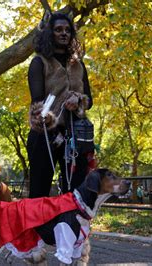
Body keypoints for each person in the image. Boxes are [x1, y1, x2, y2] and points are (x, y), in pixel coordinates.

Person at [27, 13, 93, 198]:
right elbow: (37, 104)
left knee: (76, 192)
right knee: (39, 191)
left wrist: (79, 100)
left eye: (67, 30)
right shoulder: (39, 62)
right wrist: (54, 128)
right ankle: (39, 227)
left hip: (75, 135)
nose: (64, 33)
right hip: (45, 135)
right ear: (50, 33)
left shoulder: (78, 64)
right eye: (58, 30)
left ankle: (72, 227)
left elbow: (90, 100)